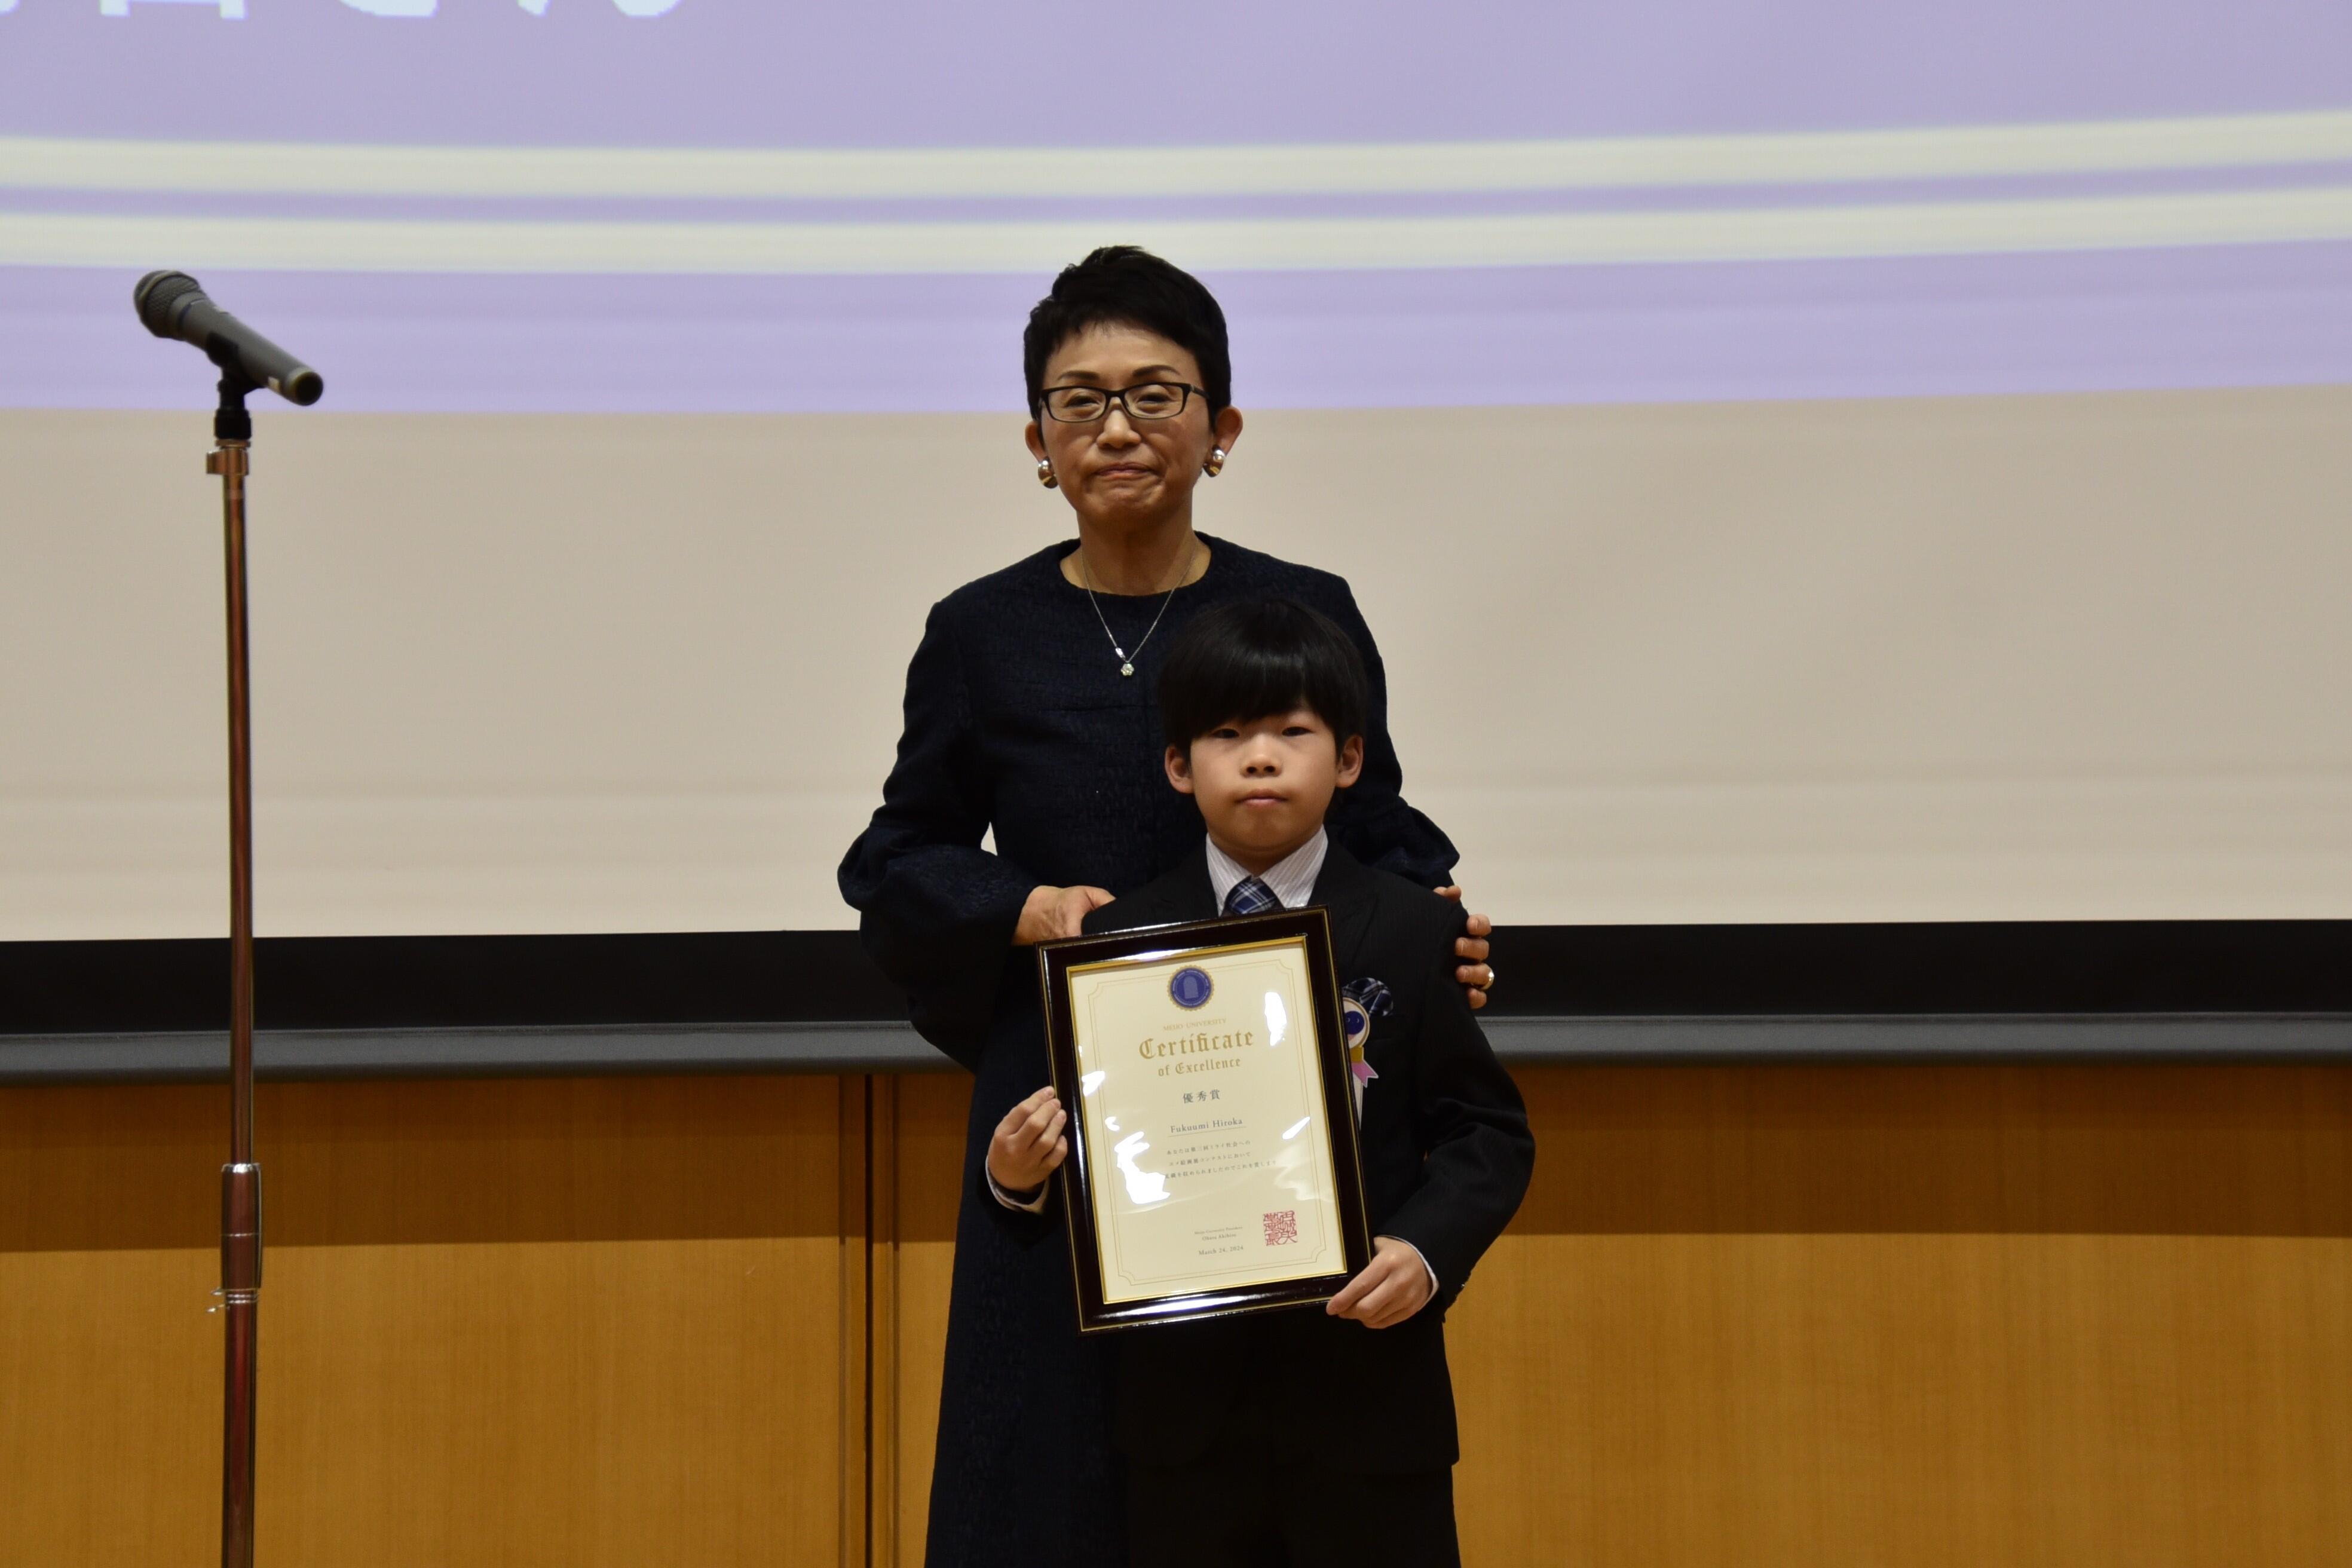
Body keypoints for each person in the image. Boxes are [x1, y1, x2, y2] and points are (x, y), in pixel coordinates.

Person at [837, 246, 1495, 1568]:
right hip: (1067, 1113)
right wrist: (1021, 903)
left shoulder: (1303, 608)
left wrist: (1440, 922)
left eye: (1156, 393)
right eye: (1078, 401)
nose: (1118, 427)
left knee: (1263, 1474)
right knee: (1048, 1479)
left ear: (1222, 426)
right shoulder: (981, 630)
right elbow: (894, 857)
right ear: (1036, 439)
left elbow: (1376, 824)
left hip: (1281, 1113)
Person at [990, 598, 1533, 1567]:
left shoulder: (1415, 930)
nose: (1261, 758)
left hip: (1371, 1408)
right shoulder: (1116, 949)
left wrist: (1427, 1250)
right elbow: (1090, 1167)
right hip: (1183, 1429)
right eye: (1228, 734)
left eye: (1293, 731)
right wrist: (1016, 1178)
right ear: (1177, 765)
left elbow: (1485, 1134)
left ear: (1351, 759)